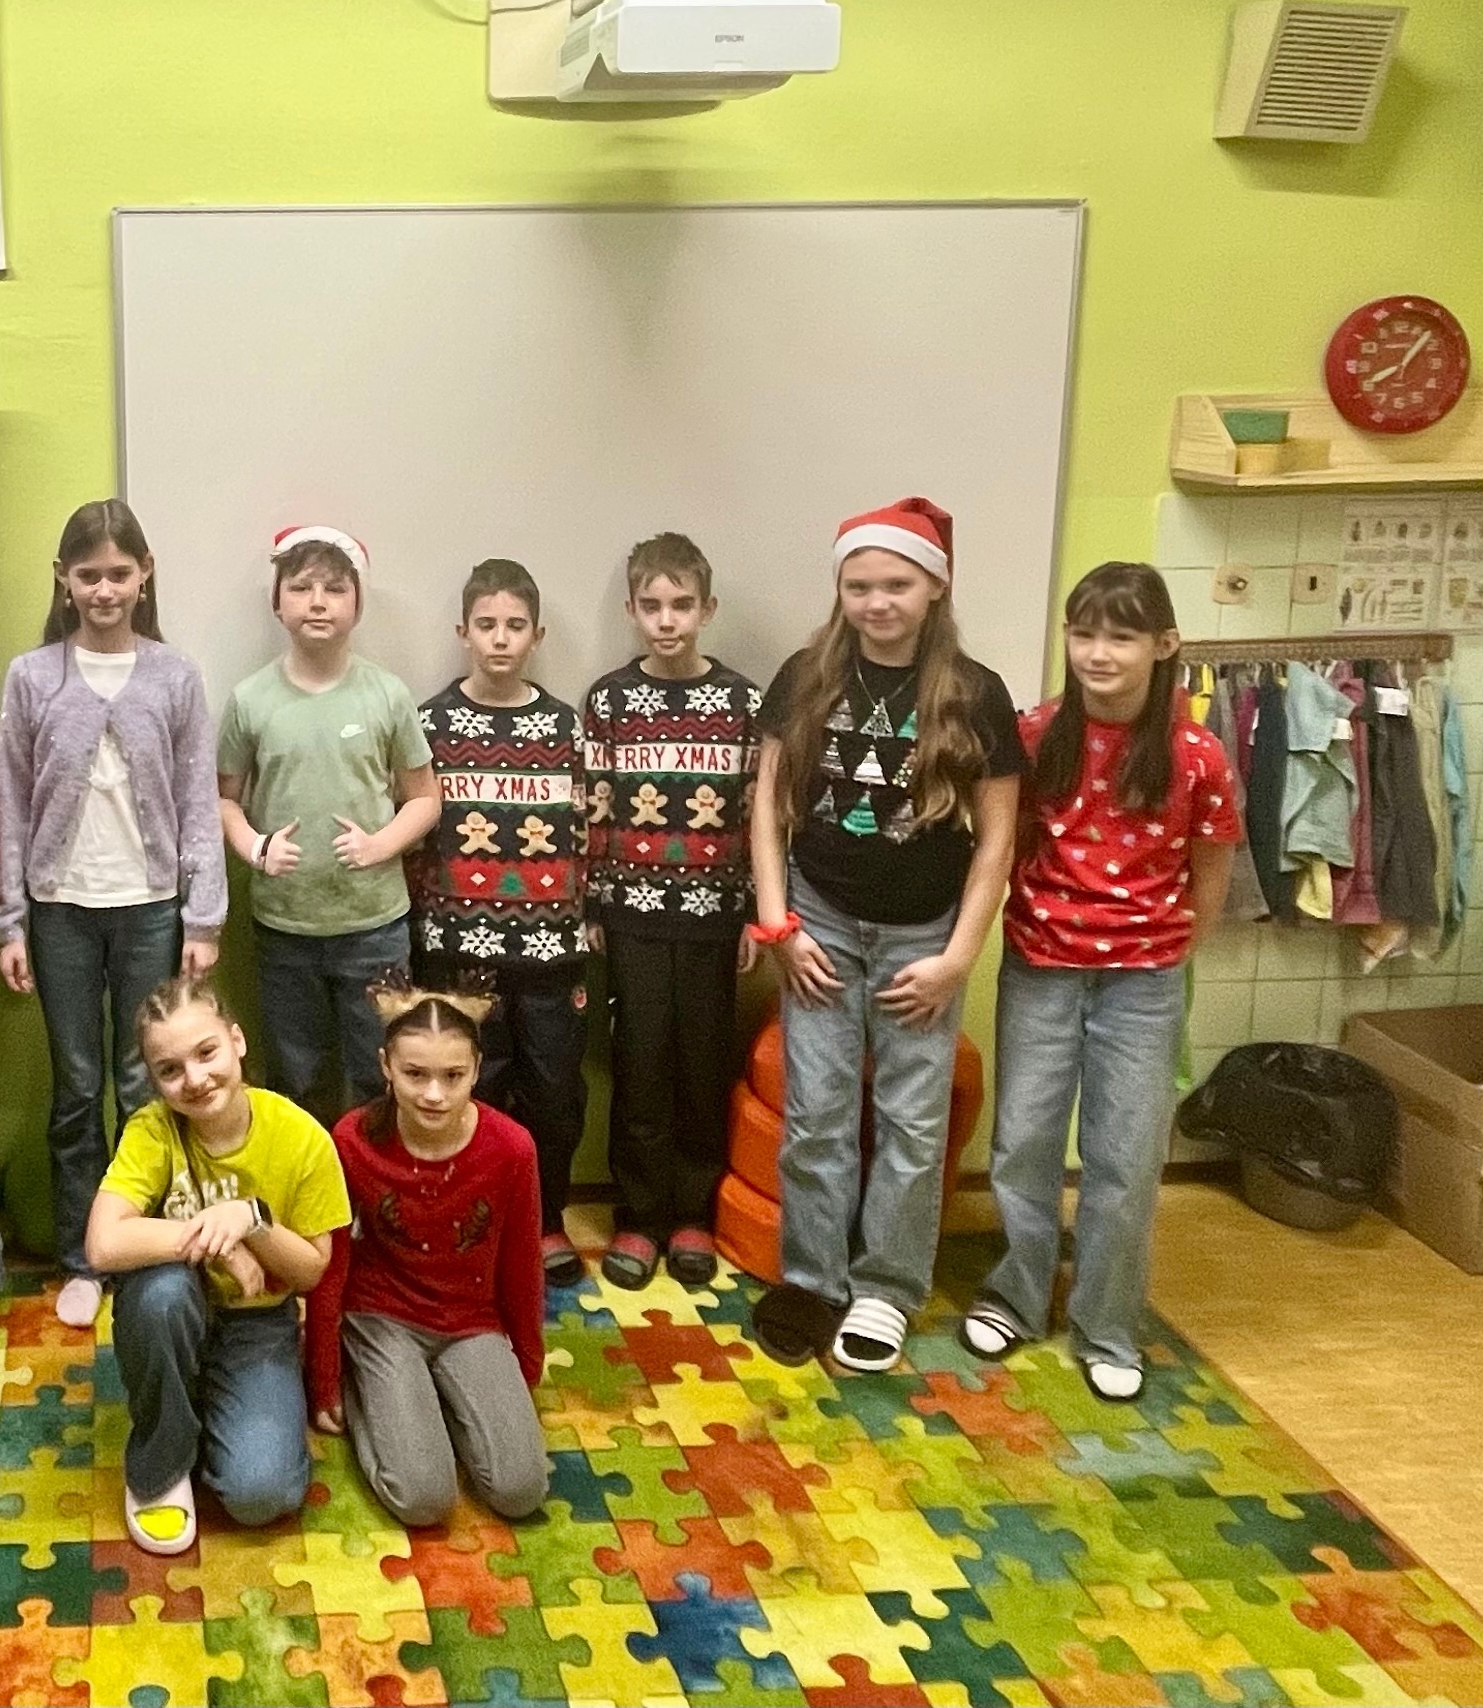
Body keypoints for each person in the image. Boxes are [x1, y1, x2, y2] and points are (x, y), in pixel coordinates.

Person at [749, 498, 1024, 1374]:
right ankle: (811, 1278)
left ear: (935, 585)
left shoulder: (975, 693)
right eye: (858, 585)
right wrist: (778, 923)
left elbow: (997, 841)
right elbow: (766, 808)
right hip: (819, 922)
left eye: (896, 584)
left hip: (923, 936)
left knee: (911, 1121)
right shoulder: (804, 676)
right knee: (816, 1114)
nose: (877, 602)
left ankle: (885, 1288)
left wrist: (955, 958)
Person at [964, 562, 1240, 1403]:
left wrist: (1170, 953)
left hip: (1141, 983)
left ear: (1163, 644)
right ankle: (1016, 1293)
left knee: (1123, 1157)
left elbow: (1211, 868)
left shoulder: (1195, 754)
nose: (1097, 652)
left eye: (1120, 635)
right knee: (1023, 1141)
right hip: (1041, 967)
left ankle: (1108, 1323)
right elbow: (1004, 842)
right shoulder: (1034, 732)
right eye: (1083, 632)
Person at [0, 500, 225, 1332]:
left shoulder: (174, 676)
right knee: (77, 1087)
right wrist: (9, 919)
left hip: (150, 908)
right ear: (63, 578)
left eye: (118, 573)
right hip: (59, 909)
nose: (103, 589)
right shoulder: (33, 676)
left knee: (141, 1086)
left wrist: (203, 917)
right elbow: (10, 802)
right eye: (87, 574)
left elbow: (197, 800)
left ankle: (141, 1247)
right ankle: (82, 1253)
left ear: (144, 573)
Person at [87, 975, 350, 1555]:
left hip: (258, 1322)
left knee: (262, 1495)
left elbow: (310, 1272)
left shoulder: (301, 1137)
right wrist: (213, 1238)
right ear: (153, 1079)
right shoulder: (153, 1129)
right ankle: (160, 1464)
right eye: (170, 1069)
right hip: (176, 1305)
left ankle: (206, 1400)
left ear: (237, 1041)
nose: (195, 1079)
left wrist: (252, 1218)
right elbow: (103, 1244)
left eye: (207, 1052)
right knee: (162, 1295)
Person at [581, 532, 766, 1291]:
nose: (667, 620)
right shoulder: (609, 700)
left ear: (706, 609)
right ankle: (638, 1212)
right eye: (652, 605)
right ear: (632, 610)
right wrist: (591, 903)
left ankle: (692, 1210)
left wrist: (753, 910)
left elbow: (757, 814)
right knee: (640, 1061)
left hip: (714, 915)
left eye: (681, 605)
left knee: (701, 1062)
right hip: (631, 914)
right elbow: (593, 807)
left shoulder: (744, 702)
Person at [305, 986, 549, 1526]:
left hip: (471, 1322)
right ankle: (376, 1390)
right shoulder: (351, 1139)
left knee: (521, 1490)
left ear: (477, 1070)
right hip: (381, 1317)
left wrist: (526, 1369)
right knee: (423, 1499)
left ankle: (433, 1401)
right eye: (415, 1074)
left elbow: (522, 1267)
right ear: (386, 1067)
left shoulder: (512, 1148)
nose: (434, 1094)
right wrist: (324, 1377)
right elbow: (332, 1265)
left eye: (452, 1076)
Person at [217, 525, 440, 1117]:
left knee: (378, 1077)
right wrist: (255, 847)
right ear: (278, 602)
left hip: (374, 927)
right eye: (301, 587)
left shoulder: (387, 695)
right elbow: (223, 799)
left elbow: (425, 797)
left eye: (335, 589)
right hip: (284, 928)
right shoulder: (250, 700)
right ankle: (308, 1181)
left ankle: (371, 1179)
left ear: (357, 604)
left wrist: (381, 844)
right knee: (296, 1080)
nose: (317, 602)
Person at [410, 559, 590, 1288]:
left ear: (536, 635)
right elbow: (414, 830)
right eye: (486, 624)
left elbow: (588, 826)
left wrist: (586, 918)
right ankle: (471, 1214)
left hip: (551, 948)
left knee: (553, 1091)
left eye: (515, 625)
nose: (500, 638)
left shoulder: (566, 725)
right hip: (458, 948)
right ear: (463, 632)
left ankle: (543, 1218)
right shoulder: (430, 723)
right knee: (469, 1088)